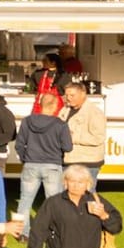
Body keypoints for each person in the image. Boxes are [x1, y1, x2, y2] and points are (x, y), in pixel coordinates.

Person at [16, 92, 74, 224]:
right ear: (54, 106)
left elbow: (19, 144)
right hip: (52, 166)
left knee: (25, 200)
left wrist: (25, 159)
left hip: (31, 164)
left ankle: (22, 232)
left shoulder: (27, 121)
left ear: (40, 104)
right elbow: (68, 147)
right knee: (53, 201)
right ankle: (52, 230)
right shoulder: (60, 124)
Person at [60, 82, 107, 187]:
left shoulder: (94, 113)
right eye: (66, 95)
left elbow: (98, 137)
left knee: (87, 194)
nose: (68, 98)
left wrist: (72, 138)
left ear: (83, 94)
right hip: (68, 159)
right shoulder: (65, 110)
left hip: (88, 162)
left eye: (72, 95)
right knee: (66, 194)